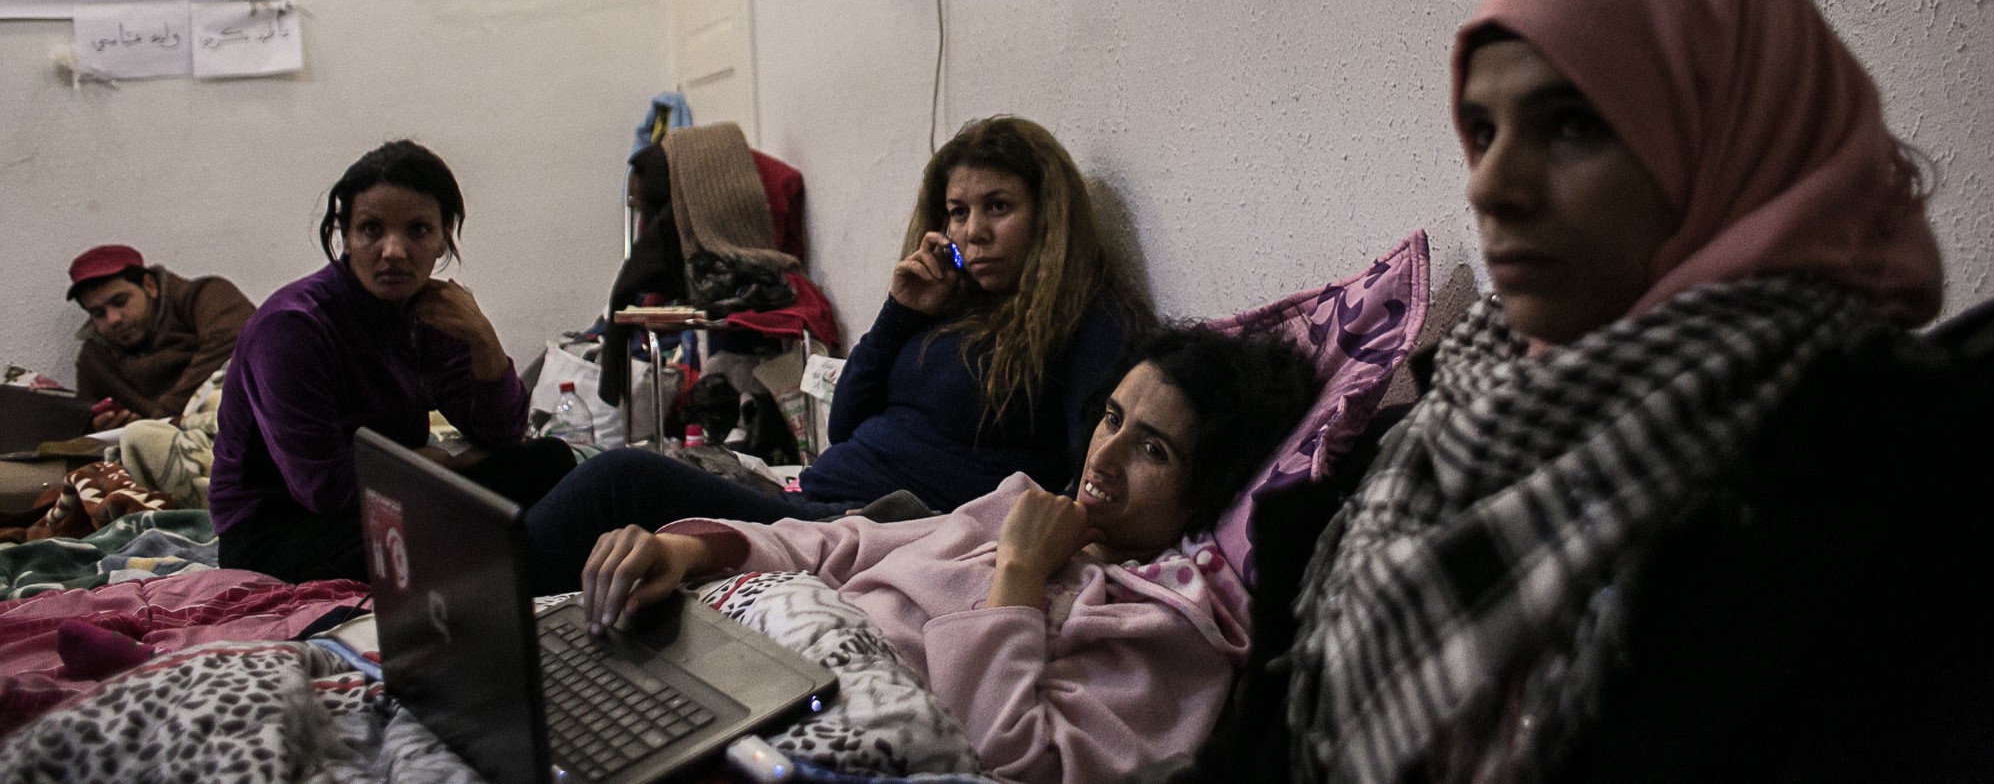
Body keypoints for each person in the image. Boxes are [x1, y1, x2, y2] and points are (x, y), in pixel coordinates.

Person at [1286, 0, 1994, 784]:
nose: (1488, 185)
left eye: (1573, 126)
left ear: (1731, 141)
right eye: (1483, 129)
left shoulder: (1897, 481)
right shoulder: (1441, 416)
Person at [581, 324, 1319, 784]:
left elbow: (1011, 757)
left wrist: (1020, 577)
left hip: (816, 728)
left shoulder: (1168, 628)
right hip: (746, 662)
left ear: (1205, 492)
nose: (1108, 453)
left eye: (1153, 448)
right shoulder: (1022, 504)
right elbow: (842, 544)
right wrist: (687, 549)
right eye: (1112, 418)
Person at [525, 115, 1144, 594]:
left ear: (1049, 217)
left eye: (998, 207)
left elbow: (1081, 480)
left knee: (620, 481)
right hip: (812, 499)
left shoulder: (1086, 321)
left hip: (883, 526)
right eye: (958, 212)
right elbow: (845, 422)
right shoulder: (950, 305)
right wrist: (901, 309)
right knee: (562, 463)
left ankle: (473, 616)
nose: (972, 231)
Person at [209, 140, 574, 583]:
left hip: (393, 495)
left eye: (418, 231)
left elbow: (502, 432)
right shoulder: (293, 328)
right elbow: (326, 491)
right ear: (344, 236)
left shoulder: (433, 311)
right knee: (450, 533)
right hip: (282, 530)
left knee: (550, 461)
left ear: (444, 238)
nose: (393, 251)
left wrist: (482, 338)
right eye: (371, 230)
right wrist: (445, 462)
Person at [65, 244, 253, 429]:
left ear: (150, 285)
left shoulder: (205, 296)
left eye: (120, 302)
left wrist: (158, 421)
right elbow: (84, 419)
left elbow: (234, 343)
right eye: (98, 313)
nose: (113, 319)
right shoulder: (95, 356)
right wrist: (97, 426)